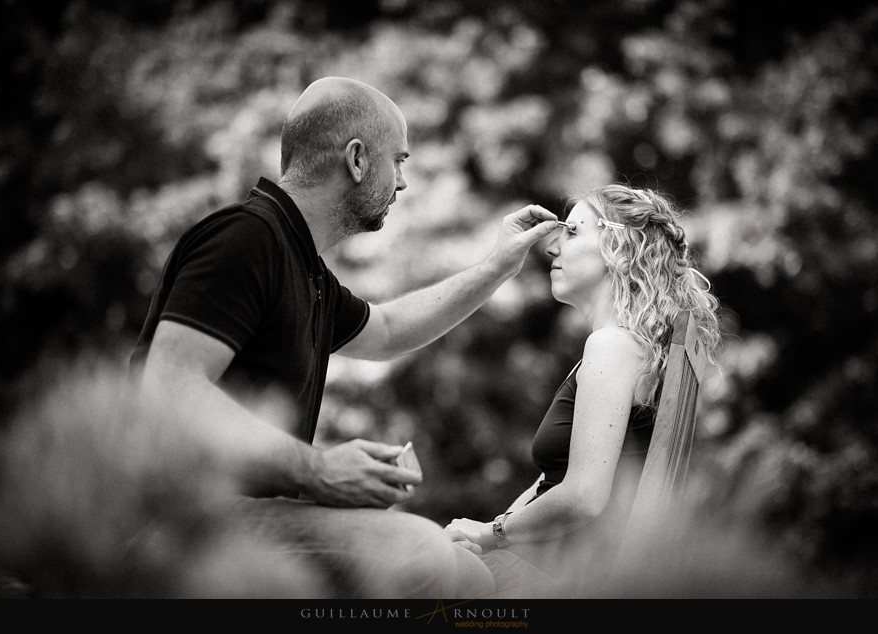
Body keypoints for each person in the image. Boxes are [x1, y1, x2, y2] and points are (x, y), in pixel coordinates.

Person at [128, 76, 561, 598]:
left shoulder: (303, 266)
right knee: (424, 553)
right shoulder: (244, 239)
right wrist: (317, 470)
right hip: (188, 528)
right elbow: (169, 388)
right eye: (398, 160)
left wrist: (495, 268)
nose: (403, 183)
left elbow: (388, 330)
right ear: (356, 159)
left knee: (476, 570)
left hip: (252, 519)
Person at [444, 184, 721, 597]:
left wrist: (494, 533)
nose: (552, 247)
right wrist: (488, 532)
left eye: (572, 232)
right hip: (553, 568)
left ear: (619, 250)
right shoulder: (625, 349)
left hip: (564, 580)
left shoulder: (612, 347)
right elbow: (551, 482)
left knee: (407, 564)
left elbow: (583, 497)